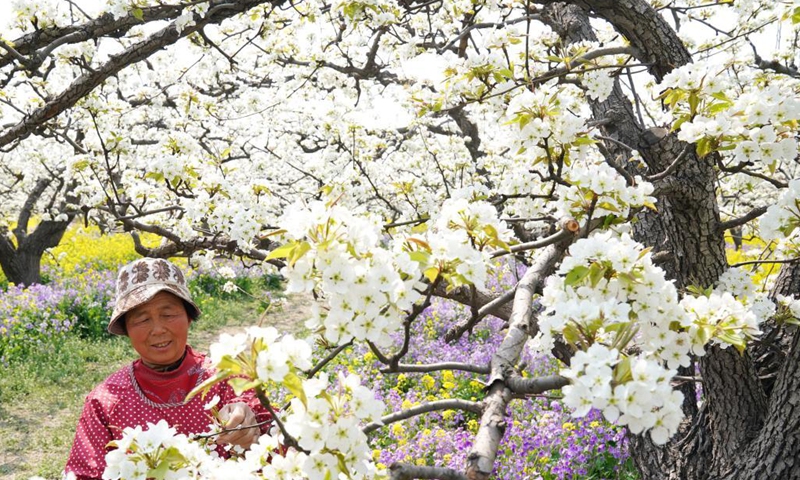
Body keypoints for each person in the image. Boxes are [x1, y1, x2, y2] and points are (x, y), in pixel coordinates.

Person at [64, 257, 270, 480]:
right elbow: (82, 474)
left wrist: (253, 429)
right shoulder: (105, 402)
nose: (158, 329)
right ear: (127, 330)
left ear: (188, 318)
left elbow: (279, 442)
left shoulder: (227, 377)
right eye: (142, 319)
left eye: (169, 315)